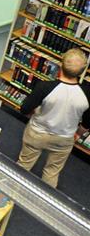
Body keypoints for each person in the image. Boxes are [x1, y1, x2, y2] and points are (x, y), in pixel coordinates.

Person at [17, 47, 90, 188]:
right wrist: (76, 134)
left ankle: (10, 194)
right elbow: (88, 122)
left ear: (61, 65)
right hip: (64, 138)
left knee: (24, 164)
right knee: (52, 172)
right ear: (82, 71)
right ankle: (46, 204)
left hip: (37, 133)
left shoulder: (44, 87)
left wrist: (35, 114)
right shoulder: (87, 94)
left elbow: (24, 109)